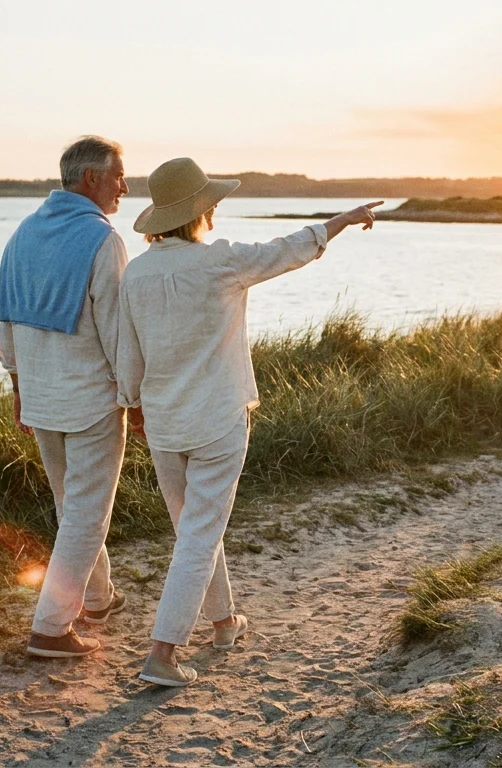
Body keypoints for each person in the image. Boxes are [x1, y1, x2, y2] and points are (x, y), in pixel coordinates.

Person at [117, 157, 381, 686]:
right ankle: (162, 654)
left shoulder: (136, 273)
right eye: (210, 203)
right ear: (199, 211)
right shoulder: (219, 262)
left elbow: (129, 356)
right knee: (197, 535)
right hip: (216, 420)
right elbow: (285, 251)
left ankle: (223, 623)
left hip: (165, 425)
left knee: (193, 530)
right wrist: (341, 221)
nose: (215, 209)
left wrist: (134, 406)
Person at [0, 135, 131, 658]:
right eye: (118, 174)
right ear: (90, 179)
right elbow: (119, 332)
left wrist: (17, 387)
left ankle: (98, 598)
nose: (125, 185)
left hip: (41, 396)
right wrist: (134, 397)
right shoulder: (103, 240)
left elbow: (8, 322)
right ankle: (51, 628)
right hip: (90, 400)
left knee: (69, 506)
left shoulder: (22, 234)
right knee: (85, 515)